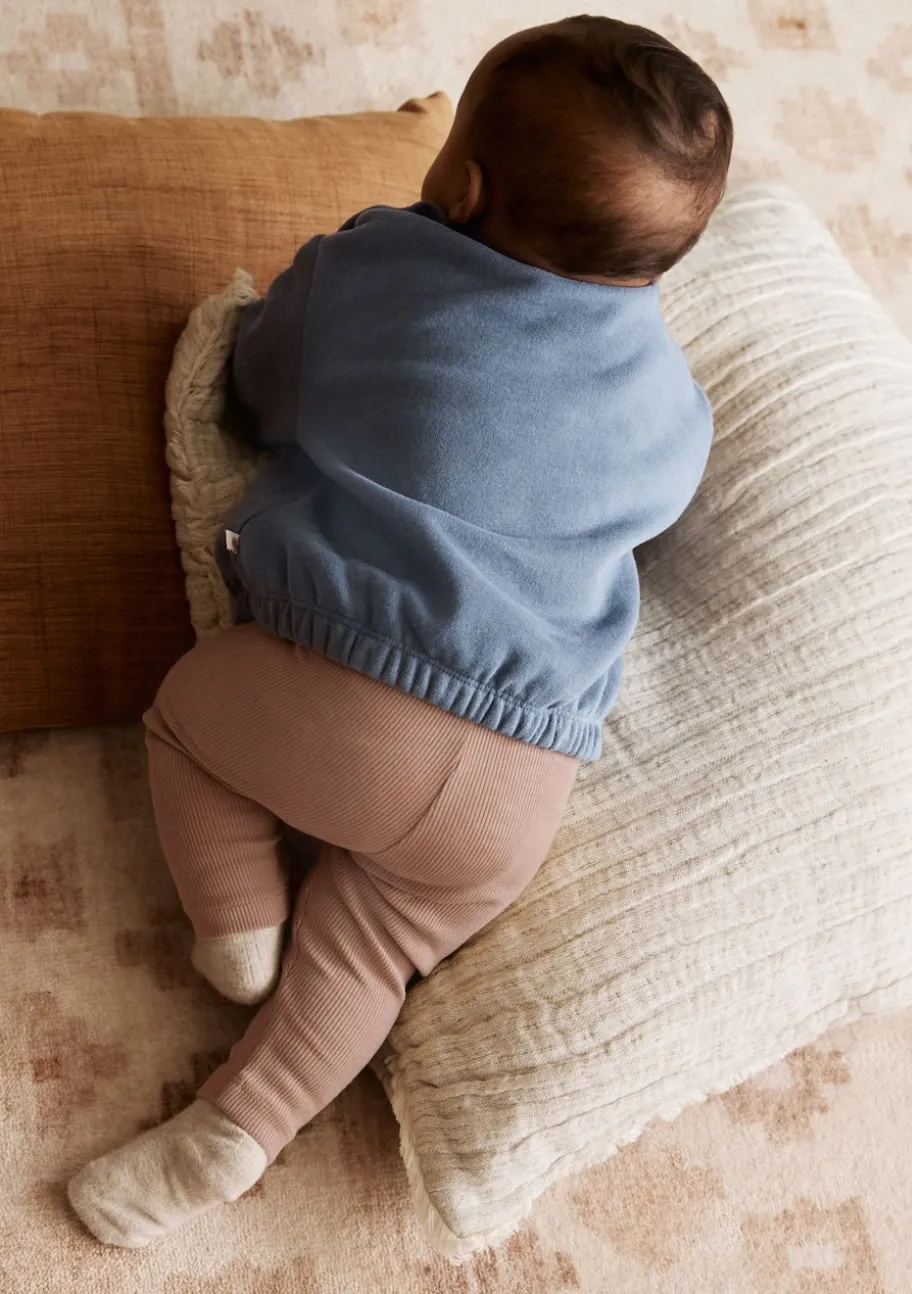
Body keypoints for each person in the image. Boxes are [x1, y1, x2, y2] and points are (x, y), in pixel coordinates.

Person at [68, 14, 732, 1247]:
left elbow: (263, 382)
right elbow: (655, 508)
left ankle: (236, 929)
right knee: (369, 951)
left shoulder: (377, 272)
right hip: (522, 780)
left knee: (189, 719)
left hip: (359, 697)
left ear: (462, 185)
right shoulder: (672, 410)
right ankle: (237, 1130)